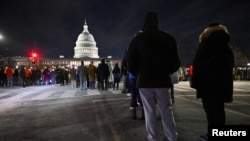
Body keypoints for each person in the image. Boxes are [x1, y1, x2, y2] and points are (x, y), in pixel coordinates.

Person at [127, 12, 180, 141]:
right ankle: (171, 136)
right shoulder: (168, 38)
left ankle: (152, 137)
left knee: (149, 110)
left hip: (144, 80)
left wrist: (138, 73)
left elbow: (130, 63)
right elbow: (176, 63)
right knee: (166, 109)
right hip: (162, 79)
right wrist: (167, 70)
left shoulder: (137, 40)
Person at [191, 23, 234, 140]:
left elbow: (198, 64)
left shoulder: (206, 44)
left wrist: (195, 82)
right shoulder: (226, 45)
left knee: (211, 111)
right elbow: (230, 65)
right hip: (222, 83)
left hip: (208, 84)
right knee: (219, 111)